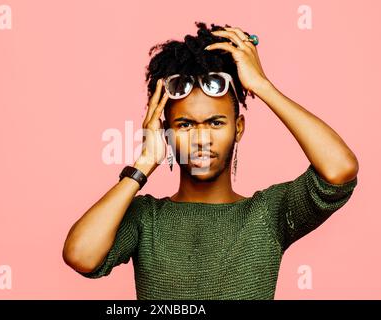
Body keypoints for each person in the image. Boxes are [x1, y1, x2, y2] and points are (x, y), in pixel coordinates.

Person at [62, 22, 359, 300]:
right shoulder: (145, 217)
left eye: (216, 123)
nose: (202, 139)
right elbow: (80, 255)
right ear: (165, 133)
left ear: (238, 128)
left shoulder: (268, 213)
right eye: (185, 125)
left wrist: (262, 85)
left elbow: (339, 170)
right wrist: (143, 164)